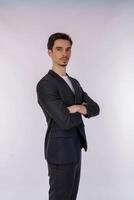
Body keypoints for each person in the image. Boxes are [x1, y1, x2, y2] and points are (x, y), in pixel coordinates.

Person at [36, 32, 100, 200]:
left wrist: (77, 107)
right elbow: (64, 120)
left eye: (68, 49)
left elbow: (95, 108)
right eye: (59, 49)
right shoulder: (45, 85)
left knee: (71, 197)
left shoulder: (74, 83)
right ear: (50, 52)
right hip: (59, 152)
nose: (64, 54)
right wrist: (80, 110)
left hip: (75, 149)